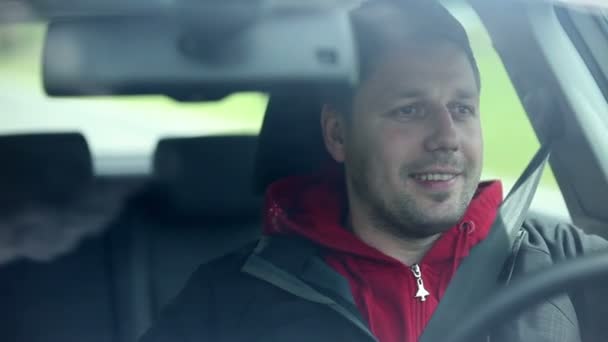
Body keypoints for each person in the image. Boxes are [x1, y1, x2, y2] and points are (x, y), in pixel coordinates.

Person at [140, 0, 608, 341]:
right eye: (409, 110)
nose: (445, 136)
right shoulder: (227, 300)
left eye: (462, 108)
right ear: (337, 134)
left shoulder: (565, 263)